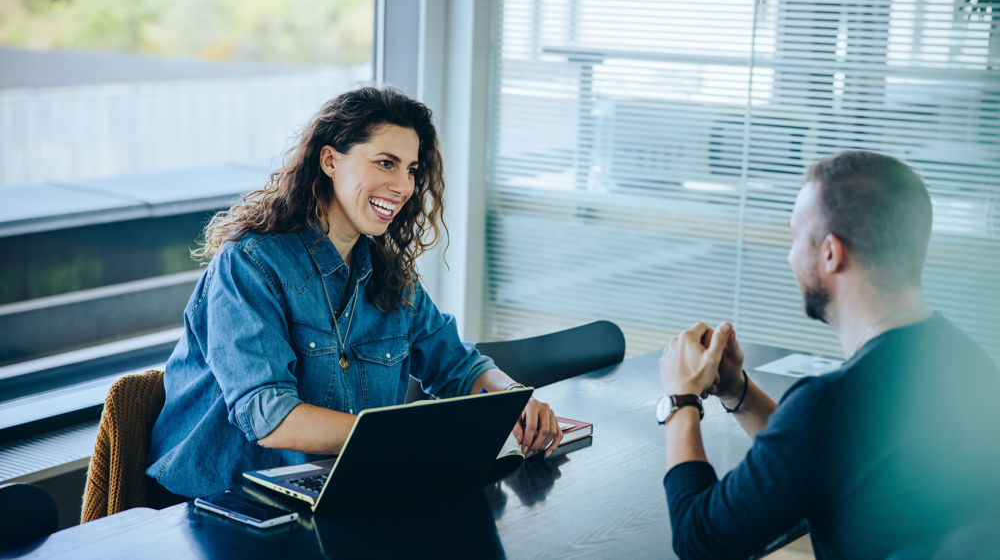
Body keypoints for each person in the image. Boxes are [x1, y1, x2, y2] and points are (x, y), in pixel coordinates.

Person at [146, 86, 563, 500]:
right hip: (217, 501)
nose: (403, 186)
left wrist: (513, 401)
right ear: (330, 160)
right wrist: (402, 439)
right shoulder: (251, 264)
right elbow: (269, 416)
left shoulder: (390, 275)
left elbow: (458, 366)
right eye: (386, 163)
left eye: (412, 170)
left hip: (337, 485)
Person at [656, 150, 1000, 559]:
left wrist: (680, 400)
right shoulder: (966, 358)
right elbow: (821, 460)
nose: (788, 256)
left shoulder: (835, 402)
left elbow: (701, 541)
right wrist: (737, 391)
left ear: (830, 253)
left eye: (795, 237)